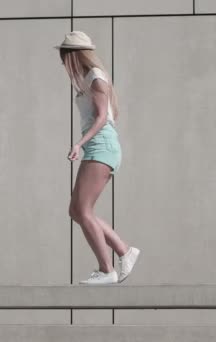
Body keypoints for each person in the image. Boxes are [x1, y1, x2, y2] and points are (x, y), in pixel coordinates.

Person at [54, 31, 140, 285]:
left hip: (100, 145)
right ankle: (124, 250)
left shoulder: (95, 77)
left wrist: (79, 143)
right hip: (98, 145)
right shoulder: (86, 80)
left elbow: (103, 117)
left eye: (63, 55)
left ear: (73, 55)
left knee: (82, 210)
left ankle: (107, 270)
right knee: (78, 210)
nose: (62, 61)